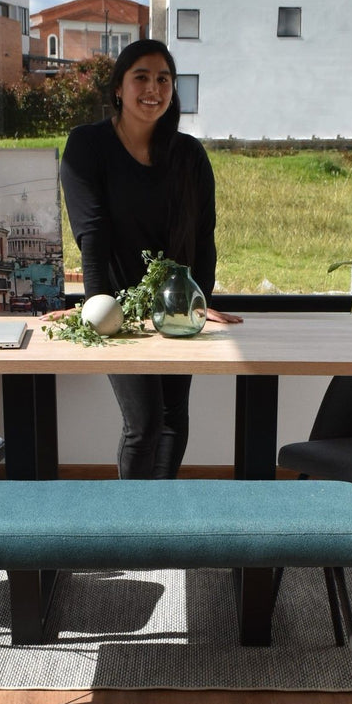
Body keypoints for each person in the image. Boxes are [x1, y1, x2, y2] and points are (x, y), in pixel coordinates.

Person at [59, 38, 241, 479]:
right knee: (143, 423)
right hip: (119, 310)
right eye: (141, 77)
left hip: (176, 309)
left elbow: (203, 238)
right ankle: (131, 530)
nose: (153, 88)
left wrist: (199, 301)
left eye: (163, 79)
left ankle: (160, 520)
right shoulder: (88, 147)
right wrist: (99, 310)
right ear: (118, 88)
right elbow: (92, 237)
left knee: (174, 416)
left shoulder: (189, 155)